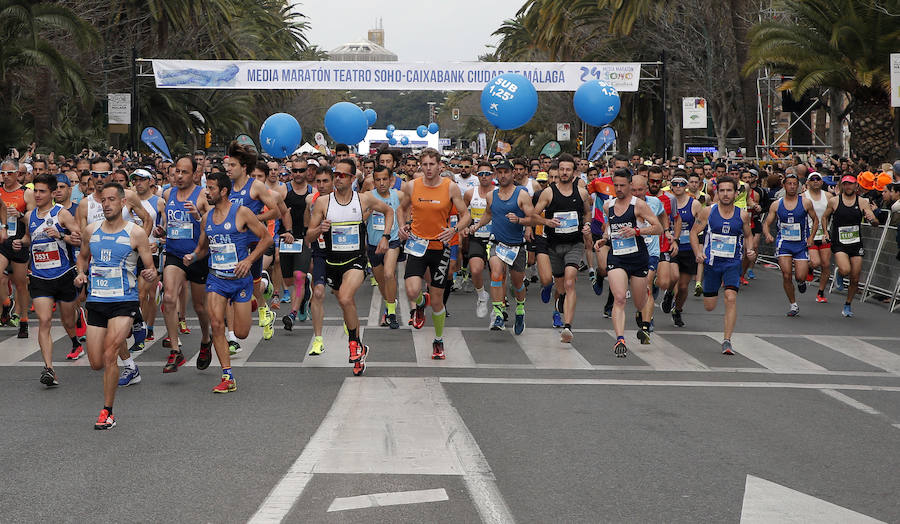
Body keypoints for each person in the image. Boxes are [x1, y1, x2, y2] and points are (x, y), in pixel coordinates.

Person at [75, 182, 157, 429]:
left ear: (123, 203)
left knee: (110, 354)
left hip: (124, 301)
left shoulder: (136, 233)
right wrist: (81, 274)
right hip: (97, 301)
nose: (107, 204)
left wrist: (151, 274)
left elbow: (150, 267)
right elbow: (82, 257)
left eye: (112, 199)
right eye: (103, 200)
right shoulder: (91, 230)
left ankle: (107, 412)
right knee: (96, 363)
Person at [183, 172, 272, 392]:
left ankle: (260, 289)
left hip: (241, 280)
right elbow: (203, 248)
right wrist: (192, 256)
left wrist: (249, 260)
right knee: (216, 324)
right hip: (217, 279)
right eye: (206, 188)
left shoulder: (241, 213)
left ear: (223, 191)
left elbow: (266, 238)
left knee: (241, 333)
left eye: (211, 188)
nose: (207, 192)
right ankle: (227, 376)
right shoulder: (206, 218)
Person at [305, 158, 394, 375]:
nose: (338, 178)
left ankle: (353, 343)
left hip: (355, 260)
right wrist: (319, 229)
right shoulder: (323, 202)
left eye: (343, 175)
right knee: (345, 303)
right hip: (332, 261)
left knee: (345, 298)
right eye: (336, 174)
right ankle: (360, 347)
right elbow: (308, 235)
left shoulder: (363, 199)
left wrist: (385, 236)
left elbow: (389, 212)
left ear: (353, 178)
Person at [400, 148, 471, 359]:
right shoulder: (412, 186)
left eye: (432, 164)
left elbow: (466, 215)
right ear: (420, 166)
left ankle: (438, 340)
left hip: (440, 247)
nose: (429, 168)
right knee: (412, 291)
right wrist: (402, 226)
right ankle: (421, 303)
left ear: (440, 165)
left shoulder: (450, 187)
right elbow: (401, 208)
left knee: (438, 300)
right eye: (425, 164)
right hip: (417, 245)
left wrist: (454, 230)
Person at [17, 174, 80, 386]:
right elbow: (29, 238)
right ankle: (49, 369)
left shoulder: (62, 214)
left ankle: (77, 325)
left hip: (63, 275)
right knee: (44, 321)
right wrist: (21, 242)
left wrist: (60, 235)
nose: (37, 195)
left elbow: (79, 239)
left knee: (68, 321)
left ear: (52, 193)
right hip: (39, 276)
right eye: (35, 191)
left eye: (42, 191)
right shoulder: (29, 216)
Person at [594, 171, 662, 356]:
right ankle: (620, 339)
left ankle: (642, 312)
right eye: (616, 185)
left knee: (639, 303)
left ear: (630, 185)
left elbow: (658, 228)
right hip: (617, 257)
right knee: (620, 298)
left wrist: (637, 231)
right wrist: (604, 239)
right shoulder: (608, 206)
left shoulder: (639, 205)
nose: (619, 189)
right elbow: (610, 228)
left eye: (622, 185)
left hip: (638, 258)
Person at [155, 155, 211, 372]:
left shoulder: (203, 195)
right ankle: (175, 350)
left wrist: (198, 216)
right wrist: (162, 231)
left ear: (195, 174)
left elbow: (213, 224)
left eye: (184, 172)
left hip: (198, 256)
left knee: (199, 307)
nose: (179, 176)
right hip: (175, 254)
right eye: (176, 171)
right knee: (169, 297)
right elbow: (170, 223)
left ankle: (206, 339)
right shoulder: (168, 194)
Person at [465, 159, 534, 334]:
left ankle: (520, 309)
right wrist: (477, 225)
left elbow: (532, 217)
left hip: (517, 245)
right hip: (497, 242)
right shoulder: (491, 196)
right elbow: (488, 214)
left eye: (506, 172)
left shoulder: (522, 194)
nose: (503, 175)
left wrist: (524, 224)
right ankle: (497, 313)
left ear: (512, 173)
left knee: (517, 283)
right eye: (500, 172)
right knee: (496, 274)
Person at [689, 177, 755, 355]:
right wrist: (697, 253)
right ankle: (711, 292)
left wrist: (750, 250)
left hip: (732, 263)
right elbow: (694, 233)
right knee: (709, 306)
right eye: (722, 190)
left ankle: (727, 340)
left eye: (729, 190)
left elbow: (748, 235)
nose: (726, 194)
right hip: (712, 264)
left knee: (731, 298)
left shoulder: (742, 215)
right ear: (717, 193)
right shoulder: (708, 212)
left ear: (736, 193)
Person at [532, 153, 592, 343]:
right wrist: (546, 222)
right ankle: (559, 299)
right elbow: (534, 215)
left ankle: (567, 326)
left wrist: (587, 224)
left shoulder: (581, 193)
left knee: (569, 282)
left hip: (575, 243)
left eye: (568, 169)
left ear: (574, 172)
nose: (564, 172)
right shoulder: (548, 193)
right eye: (562, 169)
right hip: (553, 245)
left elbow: (588, 212)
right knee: (560, 286)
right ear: (558, 171)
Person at [225, 142, 283, 340]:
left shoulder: (255, 186)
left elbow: (275, 211)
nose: (228, 168)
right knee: (233, 285)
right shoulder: (227, 186)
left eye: (232, 165)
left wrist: (253, 219)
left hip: (254, 242)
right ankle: (232, 335)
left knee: (254, 284)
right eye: (227, 165)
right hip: (233, 244)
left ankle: (264, 310)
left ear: (243, 167)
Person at [821, 175, 879, 317]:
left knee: (855, 278)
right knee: (846, 269)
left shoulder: (862, 202)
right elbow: (824, 217)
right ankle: (840, 274)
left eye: (851, 184)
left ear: (856, 186)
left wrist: (873, 220)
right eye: (845, 184)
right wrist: (825, 232)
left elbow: (875, 222)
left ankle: (847, 305)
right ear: (842, 185)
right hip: (839, 242)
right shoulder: (834, 201)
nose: (848, 187)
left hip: (855, 243)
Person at [763, 173, 818, 316]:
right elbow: (767, 223)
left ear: (798, 186)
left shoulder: (805, 203)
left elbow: (815, 220)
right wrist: (768, 234)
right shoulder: (777, 204)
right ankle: (793, 305)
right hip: (784, 243)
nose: (792, 186)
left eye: (795, 184)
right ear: (784, 185)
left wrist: (811, 237)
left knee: (800, 276)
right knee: (786, 275)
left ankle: (801, 281)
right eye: (789, 184)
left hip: (801, 244)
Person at [366, 165, 407, 329]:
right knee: (381, 281)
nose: (382, 183)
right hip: (373, 244)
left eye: (385, 179)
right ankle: (390, 302)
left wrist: (405, 225)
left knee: (389, 274)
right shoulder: (368, 196)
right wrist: (369, 211)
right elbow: (361, 217)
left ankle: (391, 313)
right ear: (373, 181)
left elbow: (408, 208)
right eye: (378, 180)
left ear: (391, 180)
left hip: (392, 241)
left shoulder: (399, 195)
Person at [280, 157, 313, 331]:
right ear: (290, 171)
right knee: (289, 280)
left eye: (302, 170)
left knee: (299, 275)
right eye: (295, 170)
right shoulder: (283, 190)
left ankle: (292, 314)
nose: (298, 174)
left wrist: (313, 236)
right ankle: (304, 294)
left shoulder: (313, 192)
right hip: (286, 240)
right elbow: (274, 211)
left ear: (308, 171)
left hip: (304, 239)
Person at [0, 157, 32, 336]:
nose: (6, 176)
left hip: (19, 241)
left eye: (9, 173)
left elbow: (33, 219)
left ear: (17, 173)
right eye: (3, 173)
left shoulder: (26, 193)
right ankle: (7, 303)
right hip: (2, 241)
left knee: (20, 284)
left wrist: (20, 214)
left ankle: (24, 321)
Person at [668, 173, 702, 327]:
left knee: (683, 287)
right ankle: (669, 294)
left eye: (681, 184)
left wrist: (699, 245)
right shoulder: (666, 202)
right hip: (671, 247)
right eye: (675, 184)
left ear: (686, 186)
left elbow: (701, 224)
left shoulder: (694, 204)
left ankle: (677, 310)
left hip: (688, 248)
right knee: (674, 276)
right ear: (671, 186)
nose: (678, 187)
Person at [464, 161, 495, 318]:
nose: (484, 177)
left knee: (497, 275)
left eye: (487, 174)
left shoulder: (498, 193)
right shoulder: (470, 193)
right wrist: (464, 227)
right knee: (475, 270)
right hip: (476, 237)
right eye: (481, 174)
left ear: (492, 175)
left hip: (495, 238)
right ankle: (482, 296)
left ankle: (498, 309)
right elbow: (463, 213)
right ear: (477, 175)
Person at [801, 172, 833, 302]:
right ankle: (809, 268)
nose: (815, 181)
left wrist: (827, 231)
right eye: (812, 179)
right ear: (808, 182)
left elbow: (833, 213)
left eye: (818, 179)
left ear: (821, 182)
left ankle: (821, 293)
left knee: (826, 264)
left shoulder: (828, 196)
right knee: (815, 262)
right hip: (810, 234)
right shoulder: (803, 197)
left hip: (824, 233)